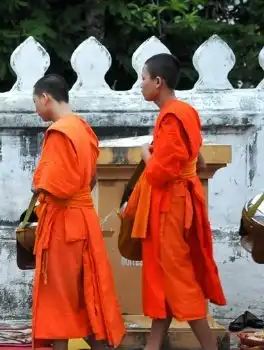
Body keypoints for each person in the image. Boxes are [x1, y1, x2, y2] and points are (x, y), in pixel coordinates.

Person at [122, 53, 226, 350]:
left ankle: (210, 346)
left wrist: (146, 154)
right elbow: (195, 156)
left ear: (158, 81)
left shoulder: (171, 116)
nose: (140, 84)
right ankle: (153, 345)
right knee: (162, 276)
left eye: (143, 78)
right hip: (178, 201)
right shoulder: (185, 111)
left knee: (178, 277)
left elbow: (159, 172)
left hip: (170, 206)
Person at [30, 74, 125, 350]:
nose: (36, 109)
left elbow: (54, 186)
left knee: (58, 294)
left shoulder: (59, 132)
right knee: (87, 293)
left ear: (46, 97)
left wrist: (38, 186)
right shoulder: (83, 129)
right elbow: (91, 178)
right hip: (84, 217)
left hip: (63, 222)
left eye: (36, 102)